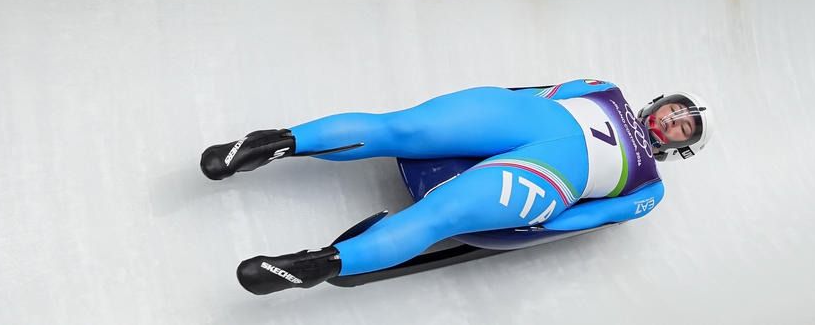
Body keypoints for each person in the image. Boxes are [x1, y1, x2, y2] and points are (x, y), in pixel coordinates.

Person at [199, 79, 714, 295]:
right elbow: (538, 92)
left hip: (548, 178)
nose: (672, 121)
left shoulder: (650, 188)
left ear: (681, 147)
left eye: (684, 127)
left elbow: (593, 218)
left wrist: (540, 224)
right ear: (660, 102)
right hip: (519, 119)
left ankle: (316, 264)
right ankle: (273, 143)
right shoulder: (606, 87)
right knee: (402, 128)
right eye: (676, 110)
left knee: (440, 215)